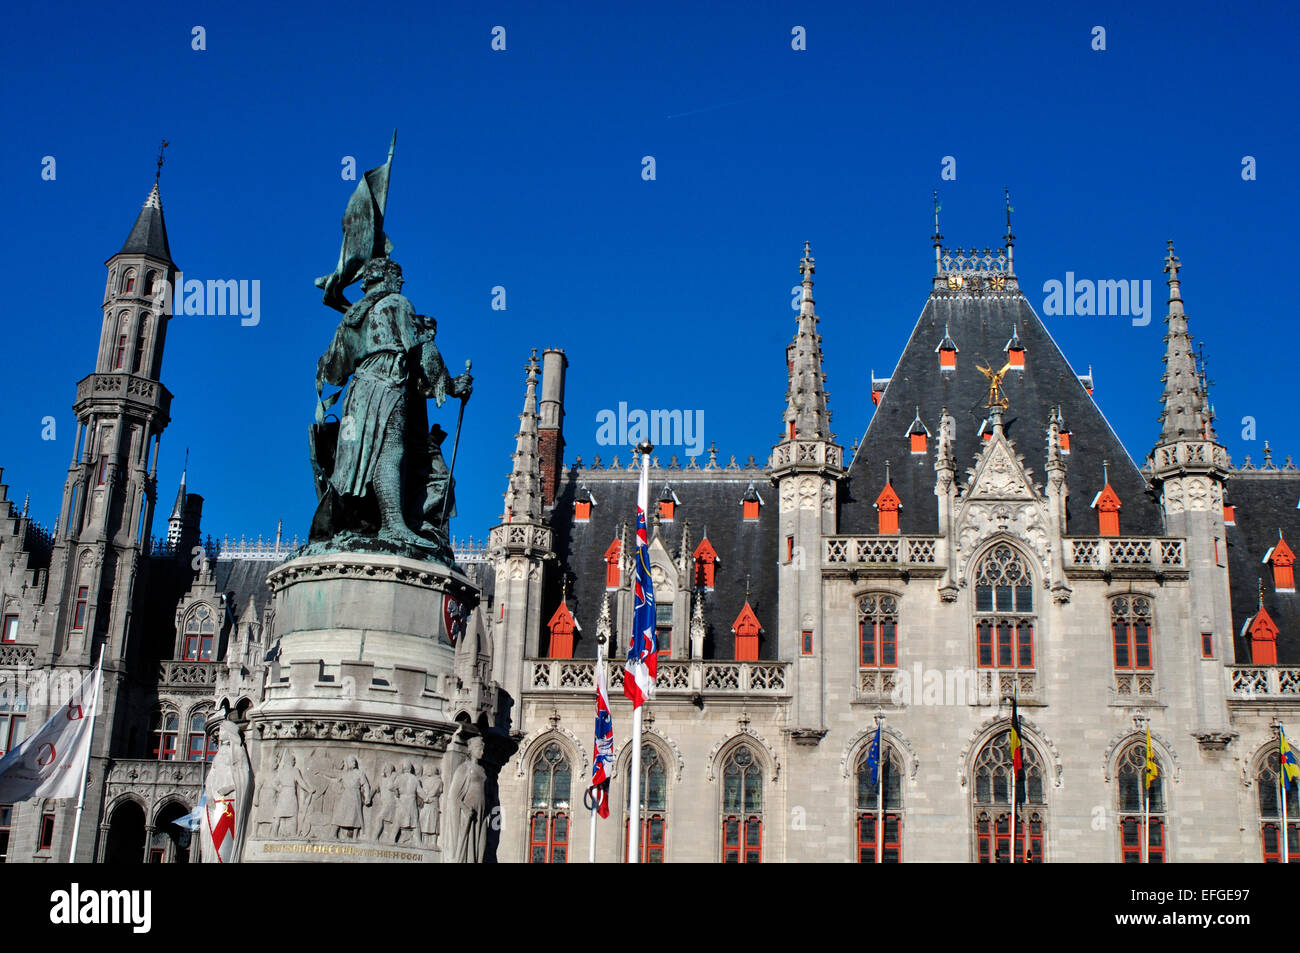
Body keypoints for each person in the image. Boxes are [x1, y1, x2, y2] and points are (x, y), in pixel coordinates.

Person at [447, 736, 490, 863]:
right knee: (467, 844)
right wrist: (465, 809)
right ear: (471, 750)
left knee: (480, 844)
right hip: (468, 812)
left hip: (481, 812)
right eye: (479, 749)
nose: (482, 752)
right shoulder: (464, 768)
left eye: (482, 749)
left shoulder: (482, 769)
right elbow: (453, 795)